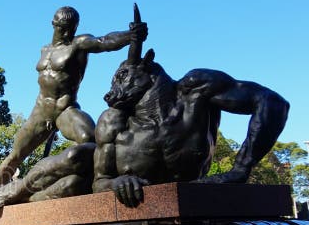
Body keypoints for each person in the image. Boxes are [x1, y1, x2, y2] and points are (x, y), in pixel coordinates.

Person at [93, 48, 289, 207]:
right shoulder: (112, 121)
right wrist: (115, 183)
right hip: (136, 214)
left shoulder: (195, 91)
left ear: (147, 67)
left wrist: (241, 168)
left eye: (122, 77)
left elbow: (272, 103)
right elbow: (100, 182)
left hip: (198, 208)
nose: (110, 93)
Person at [0, 6, 147, 187]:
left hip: (65, 109)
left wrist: (130, 36)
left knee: (91, 140)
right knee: (15, 156)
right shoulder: (44, 50)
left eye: (72, 27)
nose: (67, 31)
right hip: (41, 111)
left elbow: (104, 41)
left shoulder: (78, 44)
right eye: (63, 27)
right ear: (54, 24)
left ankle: (98, 180)